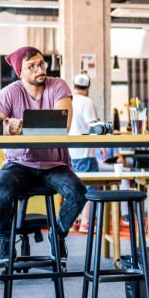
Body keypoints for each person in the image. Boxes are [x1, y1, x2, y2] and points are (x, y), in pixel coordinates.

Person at [0, 46, 88, 260]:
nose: (39, 69)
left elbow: (64, 125)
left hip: (54, 165)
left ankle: (57, 235)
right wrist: (5, 127)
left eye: (41, 63)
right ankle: (5, 239)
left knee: (78, 193)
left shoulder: (58, 85)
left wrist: (23, 128)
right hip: (19, 164)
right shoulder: (10, 92)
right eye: (31, 66)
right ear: (20, 72)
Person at [68, 72, 99, 231]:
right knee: (90, 187)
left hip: (70, 153)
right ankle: (86, 222)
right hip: (85, 152)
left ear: (73, 86)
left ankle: (75, 220)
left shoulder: (68, 101)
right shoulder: (87, 102)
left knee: (75, 187)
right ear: (88, 88)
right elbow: (93, 126)